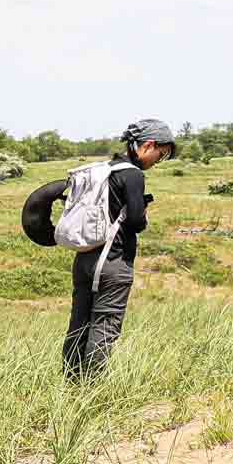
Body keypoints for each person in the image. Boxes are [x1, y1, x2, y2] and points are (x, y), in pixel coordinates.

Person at [22, 117, 177, 379]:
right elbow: (137, 222)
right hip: (113, 262)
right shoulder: (132, 175)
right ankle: (91, 391)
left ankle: (70, 384)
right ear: (147, 145)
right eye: (160, 155)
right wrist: (141, 211)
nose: (157, 162)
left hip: (84, 260)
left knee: (79, 325)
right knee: (104, 327)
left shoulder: (103, 170)